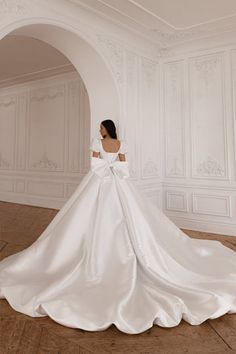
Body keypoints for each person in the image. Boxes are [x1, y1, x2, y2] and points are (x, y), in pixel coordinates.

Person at [0, 119, 235, 335]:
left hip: (101, 183)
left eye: (101, 127)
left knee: (90, 218)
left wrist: (105, 166)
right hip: (118, 184)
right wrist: (113, 168)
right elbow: (125, 167)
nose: (99, 130)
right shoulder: (121, 144)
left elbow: (94, 164)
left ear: (106, 129)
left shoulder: (99, 142)